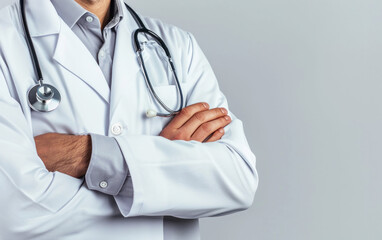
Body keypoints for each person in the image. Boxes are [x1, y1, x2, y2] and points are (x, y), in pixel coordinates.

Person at [0, 0, 258, 239]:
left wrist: (89, 155)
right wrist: (164, 173)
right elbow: (13, 213)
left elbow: (238, 180)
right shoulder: (6, 40)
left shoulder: (177, 46)